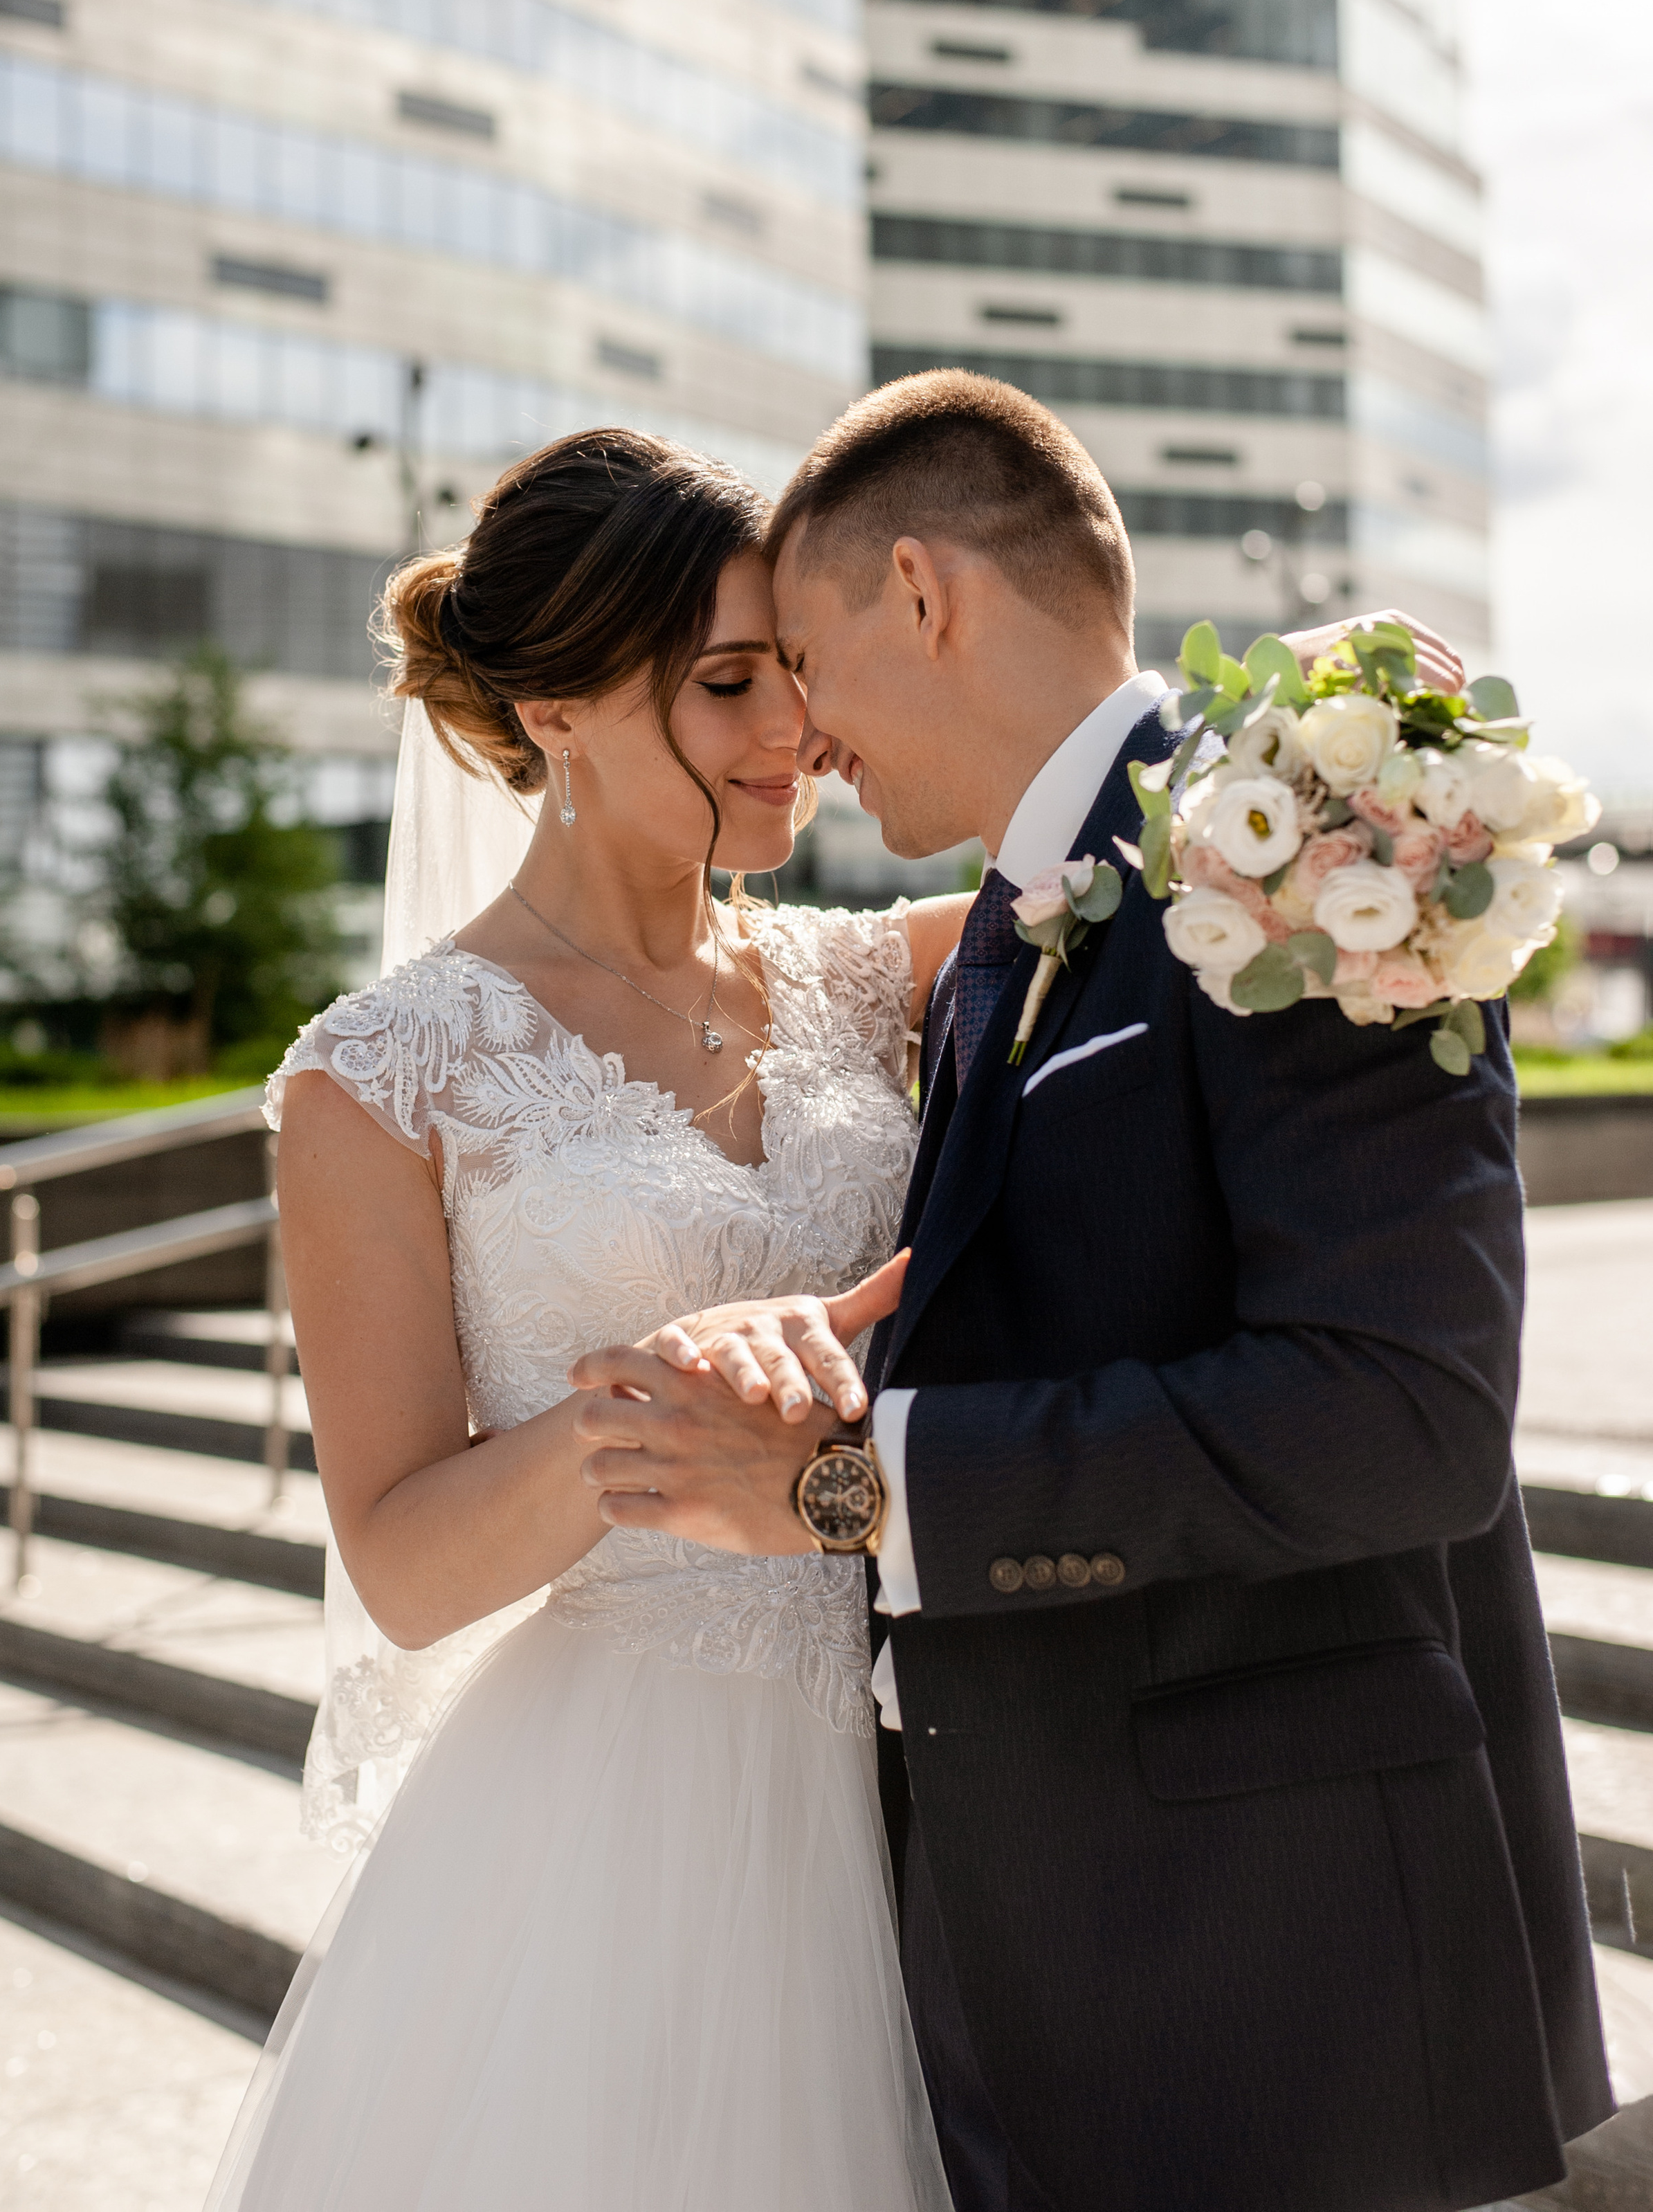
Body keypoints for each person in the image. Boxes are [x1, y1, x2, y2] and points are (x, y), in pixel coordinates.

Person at [206, 413, 1418, 2212]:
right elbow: (401, 1559)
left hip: (938, 1794)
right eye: (723, 687)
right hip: (618, 1827)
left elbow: (1129, 832)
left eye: (794, 670)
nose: (796, 732)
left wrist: (1362, 743)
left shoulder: (880, 969)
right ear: (552, 713)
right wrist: (654, 1412)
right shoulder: (377, 1079)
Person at [570, 370, 1613, 2212]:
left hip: (1294, 1985)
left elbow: (1402, 1415)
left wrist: (859, 1486)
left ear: (925, 594)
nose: (802, 742)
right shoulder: (1000, 928)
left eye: (804, 661)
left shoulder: (1304, 839)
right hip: (1041, 1949)